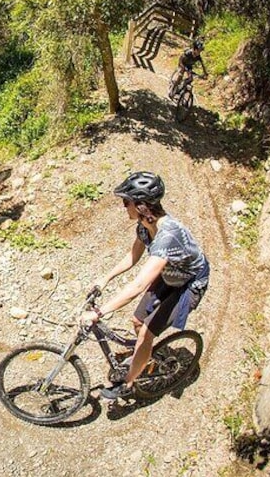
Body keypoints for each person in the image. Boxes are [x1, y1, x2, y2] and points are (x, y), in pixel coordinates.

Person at [79, 171, 210, 400]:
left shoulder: (167, 236)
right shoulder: (144, 226)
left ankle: (128, 384)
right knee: (138, 321)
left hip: (189, 284)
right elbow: (133, 255)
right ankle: (147, 355)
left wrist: (99, 312)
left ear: (141, 205)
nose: (123, 207)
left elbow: (140, 284)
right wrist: (105, 278)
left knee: (145, 334)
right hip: (170, 275)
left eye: (126, 202)